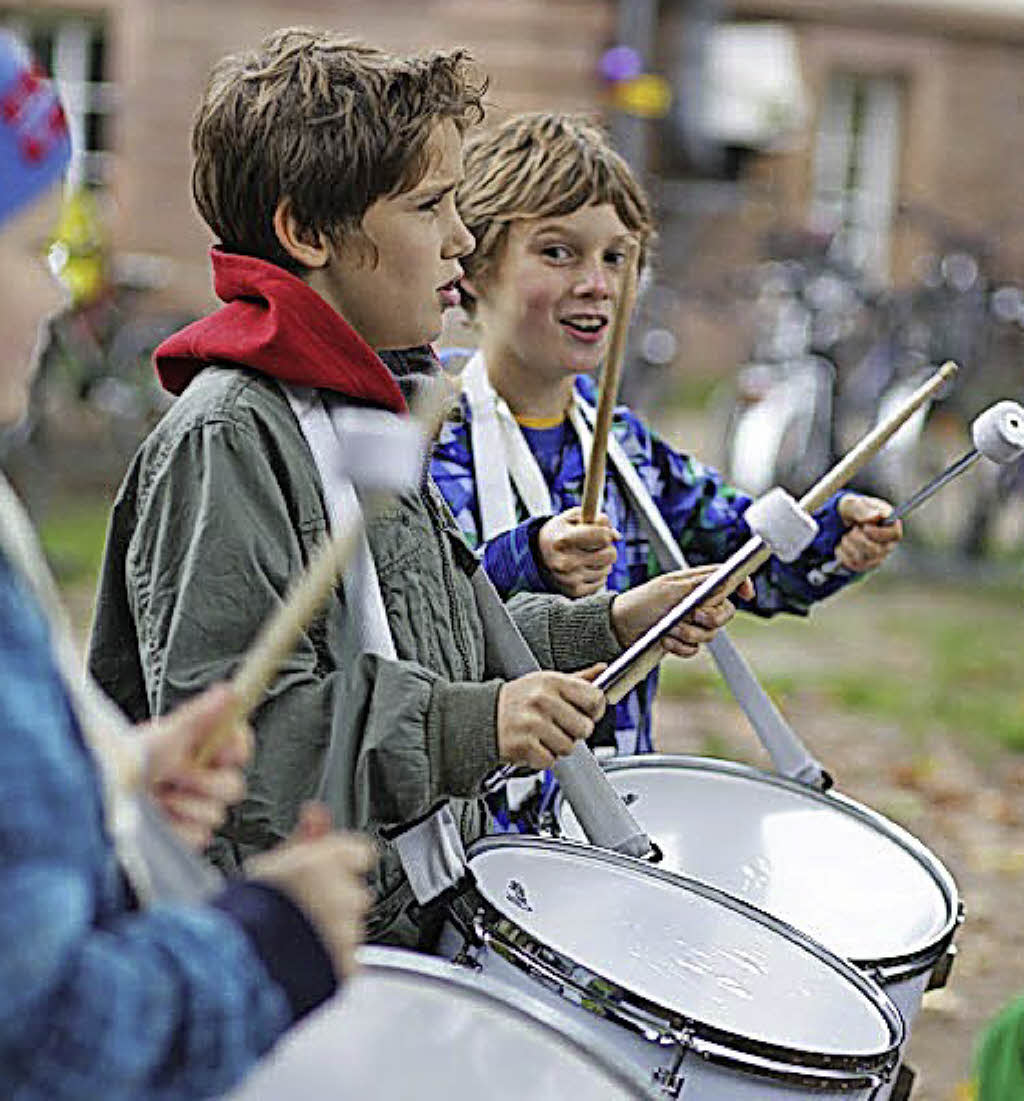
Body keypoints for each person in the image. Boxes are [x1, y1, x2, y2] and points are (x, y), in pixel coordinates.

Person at [87, 29, 743, 949]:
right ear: (307, 232)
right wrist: (473, 725)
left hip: (408, 917)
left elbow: (431, 636)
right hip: (296, 952)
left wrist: (608, 623)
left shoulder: (363, 400)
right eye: (431, 206)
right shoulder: (232, 436)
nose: (462, 239)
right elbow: (248, 753)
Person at [0, 31, 375, 1098]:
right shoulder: (229, 432)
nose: (60, 295)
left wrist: (112, 786)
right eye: (34, 248)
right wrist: (271, 946)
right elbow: (43, 1043)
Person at [431, 112, 903, 803]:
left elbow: (746, 559)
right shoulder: (427, 427)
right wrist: (527, 556)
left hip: (613, 807)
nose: (597, 283)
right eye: (559, 252)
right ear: (473, 268)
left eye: (617, 258)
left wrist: (835, 532)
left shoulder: (620, 443)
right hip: (474, 818)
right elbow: (425, 614)